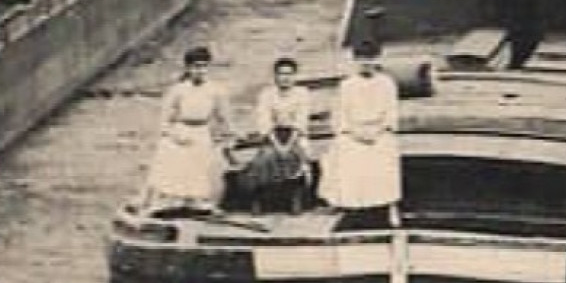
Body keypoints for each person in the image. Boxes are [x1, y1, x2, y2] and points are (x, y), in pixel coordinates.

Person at [142, 47, 233, 212]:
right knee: (171, 156)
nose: (200, 71)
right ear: (188, 68)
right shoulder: (178, 90)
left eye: (204, 66)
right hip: (181, 130)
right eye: (196, 66)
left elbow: (224, 116)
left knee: (203, 163)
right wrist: (174, 135)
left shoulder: (216, 90)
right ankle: (171, 200)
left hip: (202, 131)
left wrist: (228, 134)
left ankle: (195, 200)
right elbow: (165, 119)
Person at [322, 40, 402, 226]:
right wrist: (355, 133)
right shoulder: (347, 85)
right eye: (361, 59)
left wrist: (377, 131)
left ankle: (390, 205)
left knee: (386, 149)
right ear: (355, 61)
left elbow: (391, 112)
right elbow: (340, 114)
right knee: (344, 148)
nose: (366, 64)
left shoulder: (387, 83)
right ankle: (349, 202)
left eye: (370, 59)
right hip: (354, 131)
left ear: (378, 60)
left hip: (378, 131)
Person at [238, 56, 315, 213]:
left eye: (289, 74)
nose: (285, 78)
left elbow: (301, 121)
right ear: (275, 76)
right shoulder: (266, 94)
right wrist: (278, 145)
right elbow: (265, 122)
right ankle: (258, 198)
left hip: (295, 136)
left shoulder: (302, 93)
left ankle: (296, 195)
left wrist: (289, 145)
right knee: (264, 158)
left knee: (299, 155)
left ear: (295, 76)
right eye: (281, 74)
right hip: (273, 137)